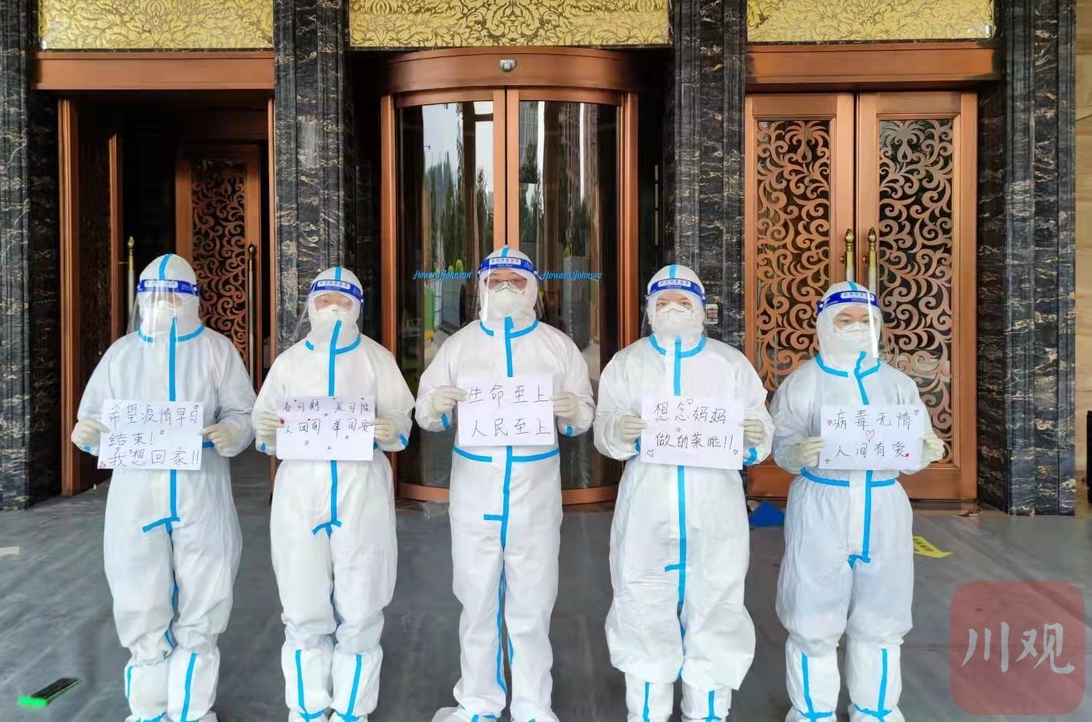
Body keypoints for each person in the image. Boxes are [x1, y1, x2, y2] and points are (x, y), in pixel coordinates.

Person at [71, 254, 256, 722]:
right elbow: (92, 414)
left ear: (193, 298)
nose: (163, 302)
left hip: (201, 489)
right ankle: (149, 710)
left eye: (174, 294)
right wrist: (87, 432)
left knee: (206, 590)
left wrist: (234, 432)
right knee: (137, 593)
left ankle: (192, 709)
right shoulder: (122, 354)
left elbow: (243, 411)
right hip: (136, 494)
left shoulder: (216, 350)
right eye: (154, 295)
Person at [416, 246, 595, 722]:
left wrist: (575, 411)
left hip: (535, 492)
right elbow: (425, 411)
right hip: (475, 491)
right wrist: (436, 406)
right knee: (476, 601)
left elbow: (583, 413)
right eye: (497, 281)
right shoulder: (458, 346)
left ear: (533, 288)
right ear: (482, 287)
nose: (506, 289)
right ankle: (479, 701)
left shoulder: (558, 346)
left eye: (517, 281)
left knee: (533, 603)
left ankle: (534, 705)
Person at [594, 264, 772, 722]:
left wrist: (754, 438)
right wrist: (618, 431)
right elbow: (604, 425)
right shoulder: (628, 363)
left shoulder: (729, 364)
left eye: (683, 301)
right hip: (647, 504)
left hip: (715, 507)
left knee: (717, 606)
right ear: (650, 309)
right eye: (663, 301)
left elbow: (758, 420)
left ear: (701, 308)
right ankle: (647, 713)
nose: (673, 309)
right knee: (641, 603)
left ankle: (707, 713)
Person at [772, 282, 946, 722]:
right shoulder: (803, 382)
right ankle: (812, 711)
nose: (855, 327)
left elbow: (913, 447)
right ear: (824, 325)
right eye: (844, 319)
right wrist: (795, 453)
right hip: (821, 503)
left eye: (864, 320)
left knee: (882, 616)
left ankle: (877, 708)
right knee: (812, 615)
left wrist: (926, 450)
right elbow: (782, 441)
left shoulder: (897, 383)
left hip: (883, 504)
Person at [252, 266, 414, 722]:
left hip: (361, 489)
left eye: (344, 302)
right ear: (310, 305)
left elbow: (402, 420)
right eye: (325, 301)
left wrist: (391, 429)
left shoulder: (377, 359)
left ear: (358, 307)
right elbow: (263, 423)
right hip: (299, 492)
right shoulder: (289, 363)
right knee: (302, 604)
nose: (334, 310)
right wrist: (266, 432)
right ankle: (306, 707)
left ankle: (351, 709)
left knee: (362, 603)